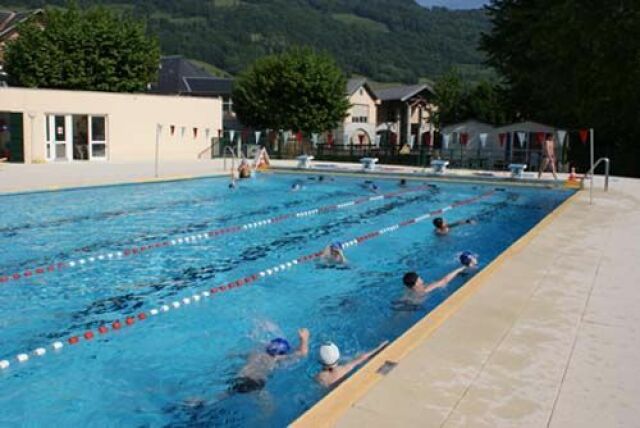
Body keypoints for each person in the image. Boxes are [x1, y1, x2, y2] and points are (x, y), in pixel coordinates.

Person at [228, 328, 310, 394]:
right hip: (255, 382)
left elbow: (241, 355)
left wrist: (233, 354)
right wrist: (304, 339)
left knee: (229, 392)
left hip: (241, 376)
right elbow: (302, 353)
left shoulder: (255, 353)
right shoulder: (276, 359)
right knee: (266, 402)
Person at [315, 340, 389, 388]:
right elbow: (362, 358)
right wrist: (379, 347)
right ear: (337, 356)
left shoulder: (320, 377)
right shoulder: (344, 369)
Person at [402, 260, 475, 298]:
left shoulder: (408, 289)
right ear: (417, 282)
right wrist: (461, 268)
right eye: (419, 277)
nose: (420, 277)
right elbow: (444, 280)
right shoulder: (426, 289)